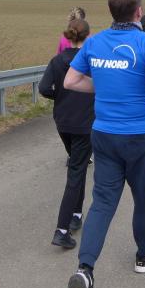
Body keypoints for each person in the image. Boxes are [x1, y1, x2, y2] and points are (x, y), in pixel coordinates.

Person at [63, 0, 145, 288]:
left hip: (104, 134)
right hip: (139, 136)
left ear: (112, 12)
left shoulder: (94, 42)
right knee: (143, 196)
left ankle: (85, 270)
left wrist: (104, 86)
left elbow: (70, 81)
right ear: (139, 12)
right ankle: (143, 254)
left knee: (102, 202)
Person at [39, 18, 95, 249]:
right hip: (85, 123)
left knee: (77, 166)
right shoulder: (91, 60)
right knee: (76, 172)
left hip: (63, 122)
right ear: (88, 36)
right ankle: (62, 230)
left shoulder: (57, 60)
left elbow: (44, 88)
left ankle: (76, 214)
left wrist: (60, 97)